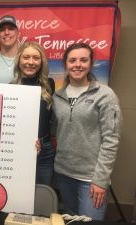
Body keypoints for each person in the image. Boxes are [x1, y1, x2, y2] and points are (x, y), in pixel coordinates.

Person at [51, 43, 122, 220]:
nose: (78, 64)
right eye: (72, 60)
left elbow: (111, 140)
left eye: (83, 60)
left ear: (90, 64)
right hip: (63, 173)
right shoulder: (57, 96)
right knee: (70, 220)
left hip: (91, 178)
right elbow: (53, 130)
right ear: (65, 64)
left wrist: (101, 179)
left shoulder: (105, 95)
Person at [11, 42, 55, 186]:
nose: (31, 62)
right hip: (17, 150)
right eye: (26, 57)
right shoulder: (9, 87)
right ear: (19, 61)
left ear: (41, 62)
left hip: (45, 152)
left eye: (36, 58)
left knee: (42, 196)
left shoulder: (50, 85)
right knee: (18, 194)